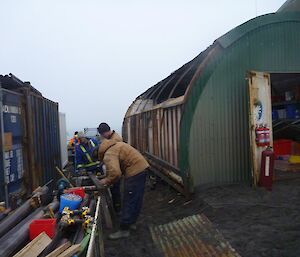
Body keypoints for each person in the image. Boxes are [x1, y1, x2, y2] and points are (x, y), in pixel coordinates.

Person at [98, 140, 149, 240]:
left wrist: (106, 181)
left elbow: (116, 173)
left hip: (134, 172)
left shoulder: (108, 154)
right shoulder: (115, 145)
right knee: (136, 198)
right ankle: (132, 223)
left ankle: (124, 229)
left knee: (129, 199)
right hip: (141, 168)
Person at [97, 122, 123, 213]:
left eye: (102, 135)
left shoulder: (115, 140)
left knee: (115, 189)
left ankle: (118, 209)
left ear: (105, 132)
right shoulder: (113, 138)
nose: (102, 137)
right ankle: (117, 207)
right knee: (114, 188)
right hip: (115, 166)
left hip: (117, 167)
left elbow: (110, 154)